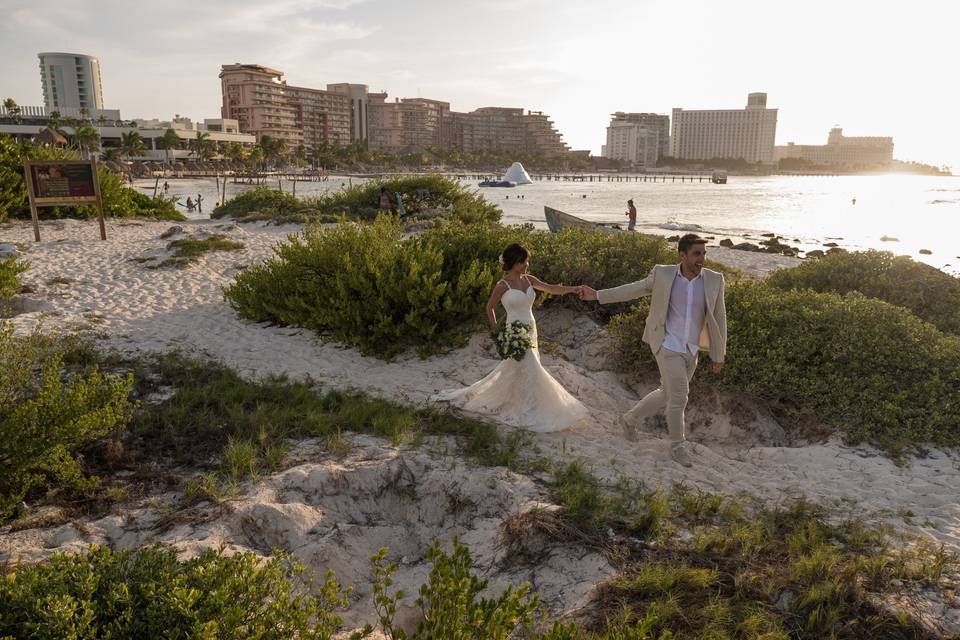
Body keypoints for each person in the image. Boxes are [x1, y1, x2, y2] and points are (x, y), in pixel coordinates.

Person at [579, 234, 727, 467]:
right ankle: (678, 446)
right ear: (682, 255)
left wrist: (719, 354)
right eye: (697, 254)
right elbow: (634, 289)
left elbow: (720, 318)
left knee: (666, 393)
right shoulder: (664, 274)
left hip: (692, 349)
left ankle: (629, 420)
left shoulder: (714, 280)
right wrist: (598, 295)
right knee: (679, 396)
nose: (702, 259)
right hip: (667, 344)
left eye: (704, 254)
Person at [432, 243, 588, 432]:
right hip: (513, 329)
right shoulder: (502, 285)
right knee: (530, 365)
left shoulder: (529, 279)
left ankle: (524, 401)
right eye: (522, 262)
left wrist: (573, 289)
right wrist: (498, 332)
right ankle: (535, 407)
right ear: (512, 262)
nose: (526, 265)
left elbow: (551, 288)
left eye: (527, 261)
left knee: (520, 367)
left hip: (530, 327)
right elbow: (489, 307)